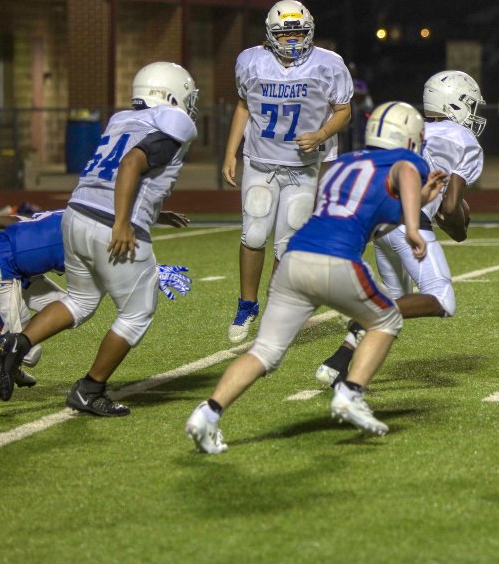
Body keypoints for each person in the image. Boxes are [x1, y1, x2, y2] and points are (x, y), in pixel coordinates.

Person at [185, 102, 447, 453]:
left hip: (294, 261)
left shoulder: (343, 165)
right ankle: (350, 393)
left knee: (265, 351)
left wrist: (414, 205)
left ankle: (208, 413)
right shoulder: (404, 161)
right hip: (336, 260)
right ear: (409, 138)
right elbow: (406, 171)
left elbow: (366, 214)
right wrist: (414, 226)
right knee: (386, 318)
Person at [0, 62, 199, 417]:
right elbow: (131, 164)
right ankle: (90, 389)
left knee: (81, 300)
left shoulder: (123, 120)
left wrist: (154, 213)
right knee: (137, 313)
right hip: (109, 224)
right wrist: (123, 222)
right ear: (171, 95)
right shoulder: (174, 122)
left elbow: (113, 176)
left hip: (76, 216)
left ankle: (17, 343)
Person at [313, 71, 485, 387]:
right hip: (410, 222)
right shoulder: (464, 139)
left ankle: (337, 364)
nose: (473, 113)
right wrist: (460, 227)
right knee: (441, 299)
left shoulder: (416, 130)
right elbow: (449, 209)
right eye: (470, 105)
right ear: (454, 104)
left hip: (380, 222)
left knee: (397, 297)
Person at [0, 206, 192, 403]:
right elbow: (109, 269)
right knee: (28, 350)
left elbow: (21, 220)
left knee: (67, 308)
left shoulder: (79, 214)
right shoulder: (87, 237)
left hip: (17, 269)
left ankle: (10, 361)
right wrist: (151, 272)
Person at [221, 0, 353, 343]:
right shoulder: (251, 61)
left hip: (303, 167)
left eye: (298, 32)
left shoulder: (328, 64)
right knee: (253, 234)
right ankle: (246, 305)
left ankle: (276, 309)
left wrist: (322, 134)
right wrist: (230, 152)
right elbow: (244, 106)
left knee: (287, 243)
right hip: (260, 162)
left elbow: (343, 110)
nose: (292, 39)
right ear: (270, 34)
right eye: (284, 33)